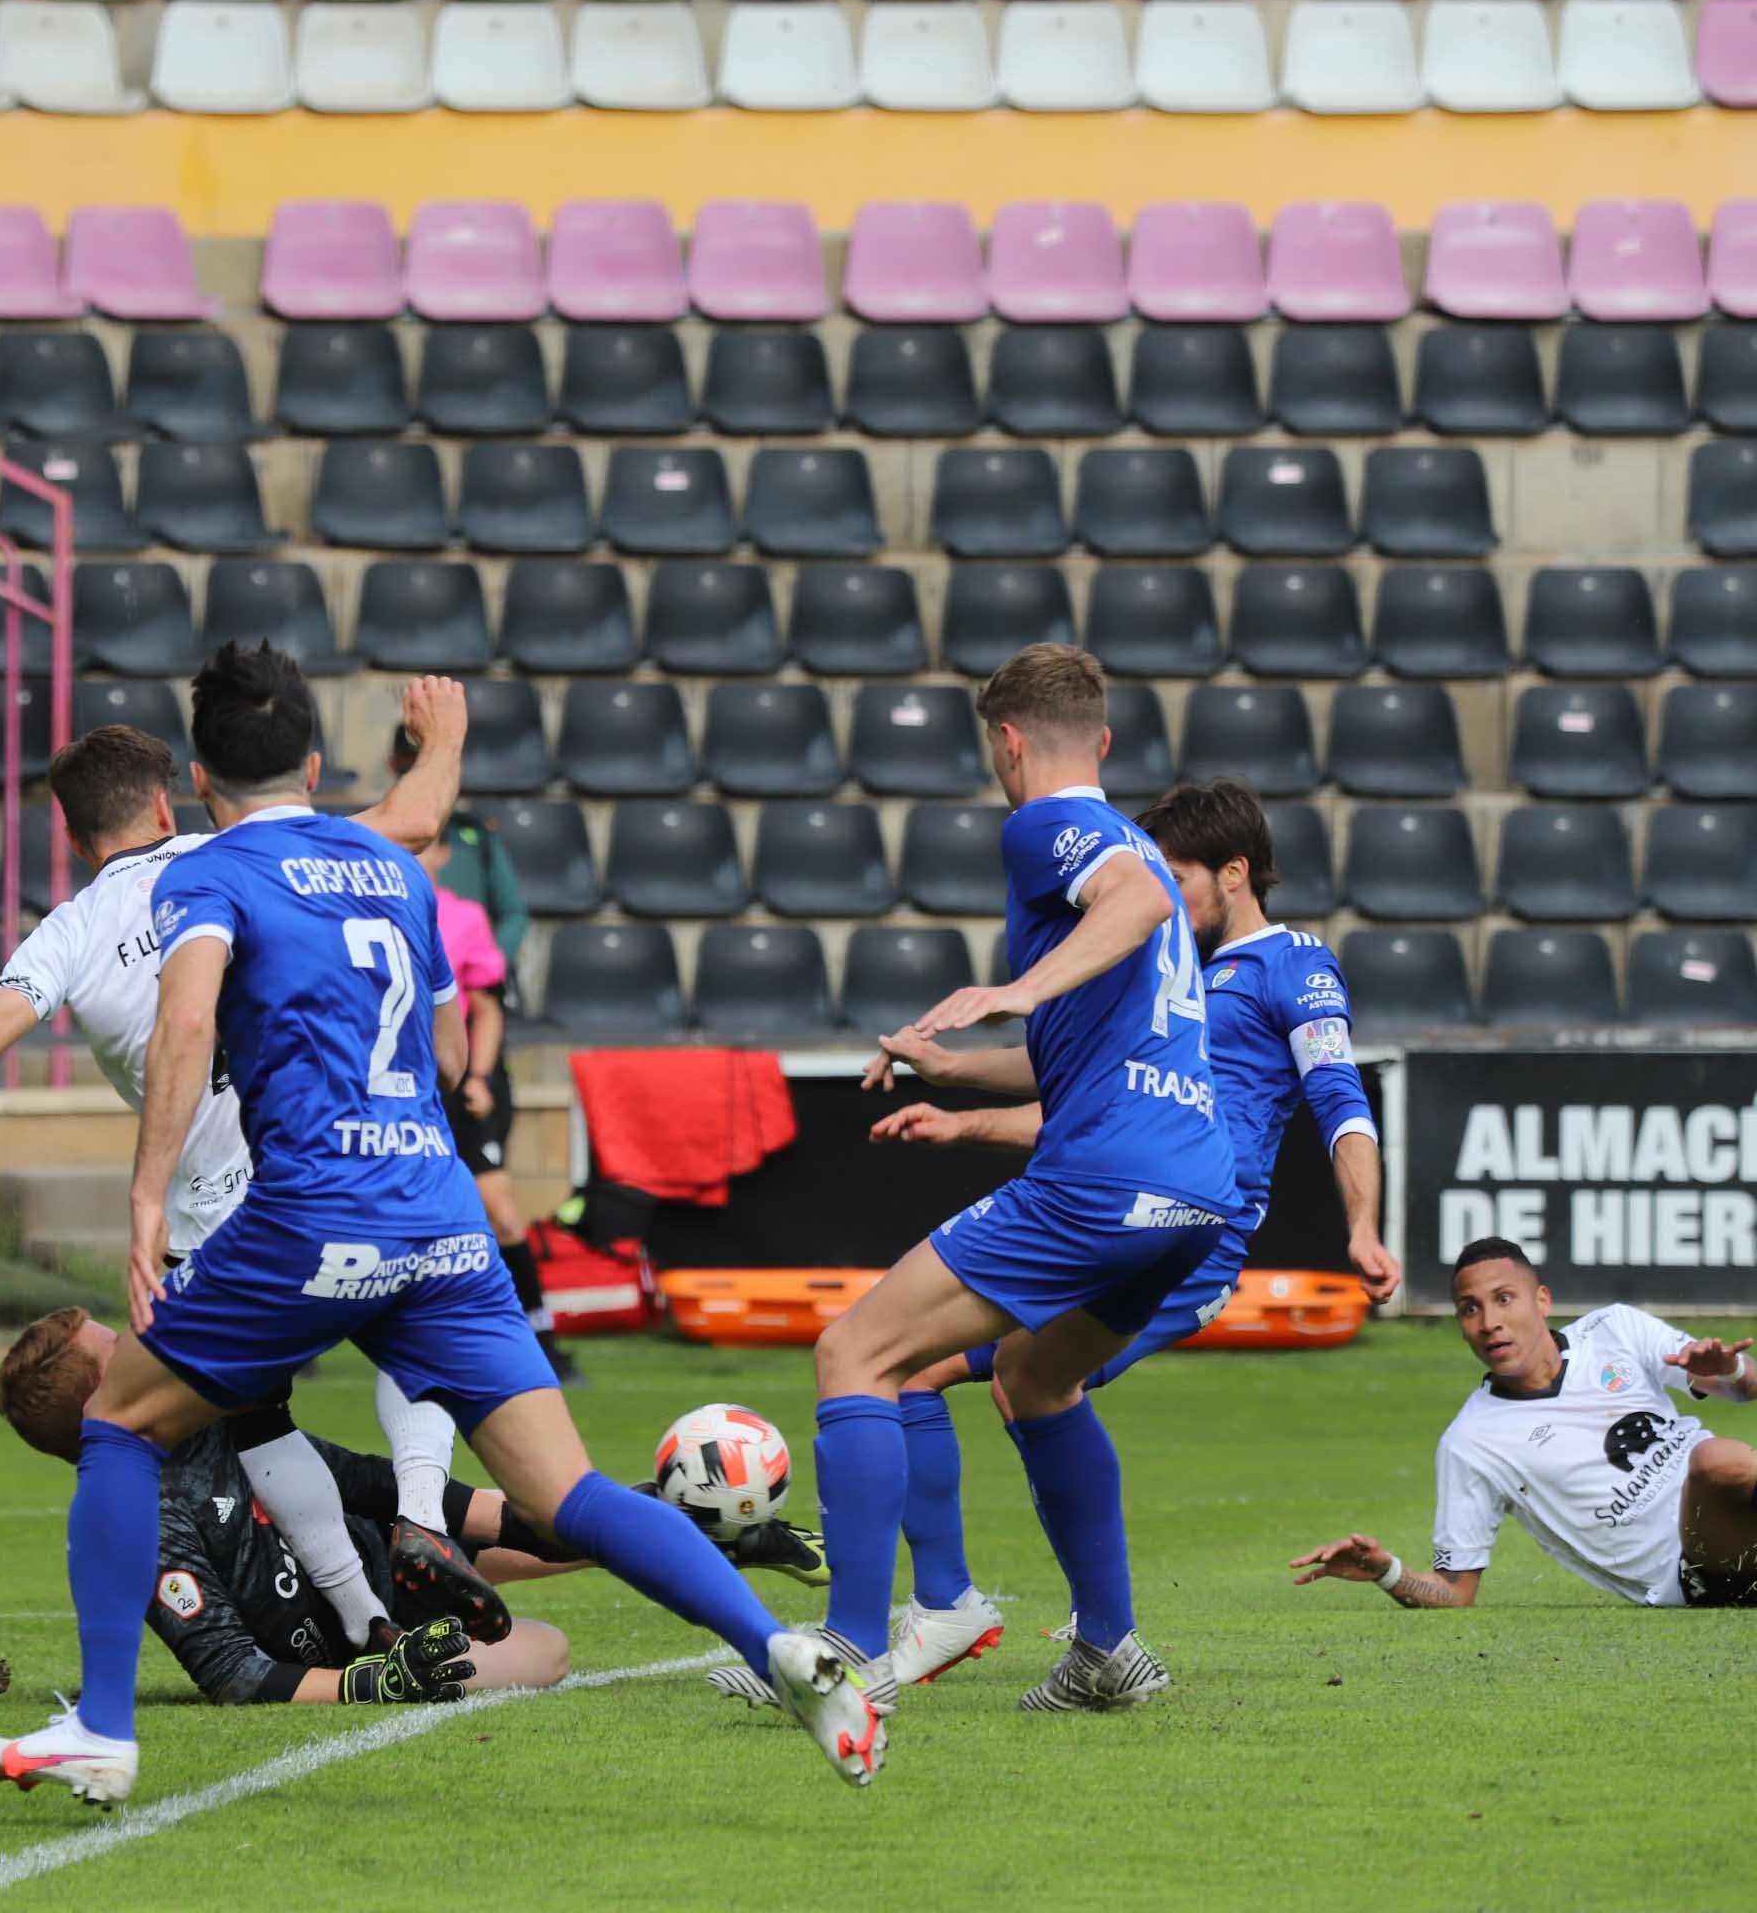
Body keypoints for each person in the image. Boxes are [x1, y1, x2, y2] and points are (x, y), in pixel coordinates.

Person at [0, 643, 880, 1804]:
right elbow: (449, 1044)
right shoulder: (393, 867)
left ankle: (102, 1725)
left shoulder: (205, 877)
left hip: (313, 1211)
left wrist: (146, 1200)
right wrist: (444, 737)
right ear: (311, 759)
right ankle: (773, 1645)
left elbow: (186, 1032)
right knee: (571, 1492)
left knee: (116, 1423)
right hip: (442, 1213)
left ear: (197, 782)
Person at [0, 682, 511, 1660]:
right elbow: (411, 820)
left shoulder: (68, 932)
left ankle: (365, 1617)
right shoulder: (236, 854)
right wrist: (441, 735)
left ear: (72, 837)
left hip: (210, 1221)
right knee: (412, 1333)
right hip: (327, 1162)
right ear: (171, 801)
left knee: (256, 1419)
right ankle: (422, 1513)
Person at [724, 778, 1399, 1705]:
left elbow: (1339, 1096)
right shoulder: (1179, 981)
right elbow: (1083, 1088)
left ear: (1235, 874)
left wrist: (1362, 1224)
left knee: (902, 1363)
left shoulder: (1294, 964)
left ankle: (918, 1623)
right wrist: (960, 1093)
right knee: (1008, 1380)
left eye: (1178, 873)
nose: (1162, 887)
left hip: (1186, 1231)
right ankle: (1075, 1641)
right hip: (1142, 1201)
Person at [790, 644, 1240, 1720]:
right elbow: (1093, 1036)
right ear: (1106, 738)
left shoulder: (1049, 827)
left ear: (1006, 742)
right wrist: (962, 1065)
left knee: (855, 1350)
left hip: (1100, 1178)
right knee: (1037, 1379)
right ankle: (1107, 1649)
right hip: (1195, 1188)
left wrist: (1014, 985)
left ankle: (851, 1657)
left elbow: (1124, 903)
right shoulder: (1136, 839)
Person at [0, 1305, 833, 1709]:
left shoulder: (211, 1424)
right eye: (121, 1344)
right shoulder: (134, 1514)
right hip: (379, 1633)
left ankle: (700, 1529)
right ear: (102, 1395)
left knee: (541, 1517)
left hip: (386, 1552)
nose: (147, 1339)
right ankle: (692, 1531)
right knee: (548, 1650)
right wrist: (373, 1682)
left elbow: (359, 1482)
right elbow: (236, 1677)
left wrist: (440, 1518)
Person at [1289, 1238, 1756, 1611]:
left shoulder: (1616, 1329)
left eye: (1504, 1299)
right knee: (1717, 1460)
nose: (1489, 1322)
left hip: (1743, 1511)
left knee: (1721, 1461)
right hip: (1699, 1571)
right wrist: (1387, 1572)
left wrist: (1729, 1370)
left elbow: (1746, 1387)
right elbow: (1455, 1589)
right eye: (1470, 1309)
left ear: (1542, 1300)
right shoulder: (1471, 1443)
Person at [418, 828, 574, 1385]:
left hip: (462, 1080)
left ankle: (543, 1338)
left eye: (427, 844)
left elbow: (484, 1008)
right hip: (398, 1084)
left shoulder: (462, 917)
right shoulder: (367, 907)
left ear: (442, 853)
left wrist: (478, 1077)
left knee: (500, 1210)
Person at [388, 723, 525, 982]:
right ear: (392, 765)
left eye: (428, 769)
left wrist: (483, 967)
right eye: (411, 767)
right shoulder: (369, 836)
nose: (420, 779)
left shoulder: (474, 837)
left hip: (465, 984)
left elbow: (512, 914)